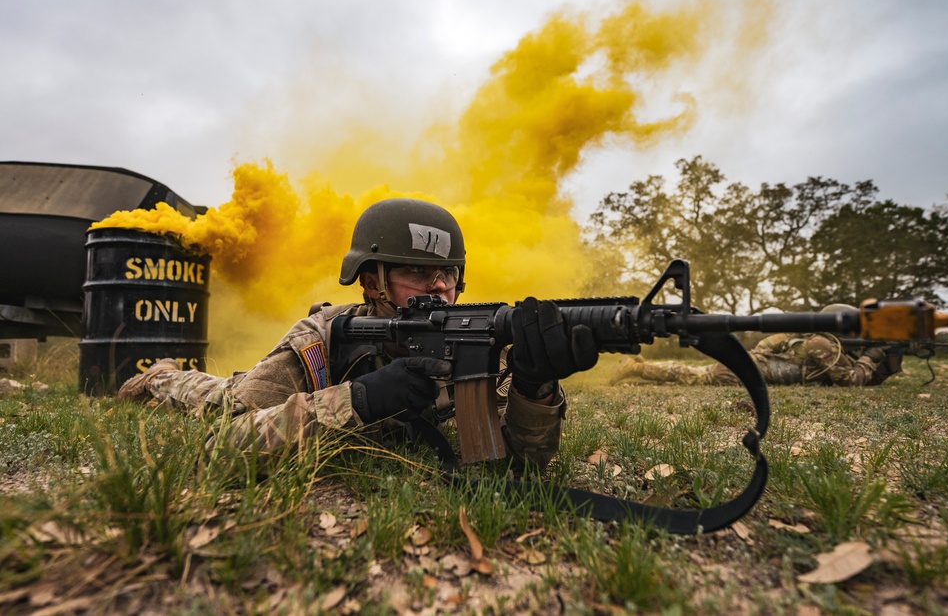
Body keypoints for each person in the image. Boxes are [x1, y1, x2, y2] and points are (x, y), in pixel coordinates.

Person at [117, 198, 597, 468]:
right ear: (371, 281)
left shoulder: (469, 342)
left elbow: (519, 467)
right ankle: (161, 376)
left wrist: (534, 388)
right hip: (275, 391)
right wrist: (359, 400)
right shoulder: (321, 339)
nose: (440, 288)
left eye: (448, 274)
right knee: (223, 400)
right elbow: (223, 448)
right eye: (416, 272)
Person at [608, 305, 901, 388]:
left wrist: (882, 361)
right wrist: (873, 355)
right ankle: (638, 368)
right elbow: (850, 380)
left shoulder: (816, 341)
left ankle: (640, 367)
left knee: (692, 372)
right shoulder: (822, 344)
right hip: (741, 371)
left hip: (747, 365)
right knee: (691, 375)